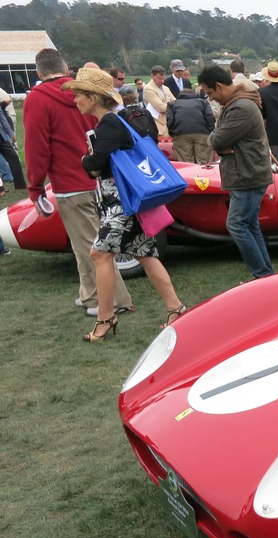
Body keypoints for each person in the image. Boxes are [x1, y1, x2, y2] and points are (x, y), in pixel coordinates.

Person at [62, 67, 185, 342]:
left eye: (79, 95)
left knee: (99, 253)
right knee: (144, 252)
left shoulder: (108, 125)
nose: (75, 100)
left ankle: (106, 317)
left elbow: (93, 167)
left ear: (93, 98)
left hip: (121, 204)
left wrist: (85, 160)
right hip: (126, 201)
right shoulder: (115, 122)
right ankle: (176, 309)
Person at [23, 48, 134, 316]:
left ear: (39, 72)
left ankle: (115, 301)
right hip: (100, 175)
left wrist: (35, 187)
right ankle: (90, 295)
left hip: (70, 182)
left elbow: (37, 147)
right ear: (65, 68)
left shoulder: (38, 99)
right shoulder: (84, 92)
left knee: (90, 246)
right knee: (83, 242)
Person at [197, 65, 274, 280]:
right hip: (248, 172)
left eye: (211, 93)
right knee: (249, 224)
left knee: (237, 224)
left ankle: (262, 275)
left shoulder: (240, 107)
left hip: (247, 175)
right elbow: (219, 138)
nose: (211, 98)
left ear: (219, 86)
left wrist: (216, 140)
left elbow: (216, 139)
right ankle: (265, 275)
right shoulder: (240, 103)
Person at [167, 87, 215, 163]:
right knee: (204, 162)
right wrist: (211, 131)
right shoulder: (203, 102)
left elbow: (170, 121)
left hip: (181, 134)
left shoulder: (172, 104)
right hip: (202, 133)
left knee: (186, 163)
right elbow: (209, 117)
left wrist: (173, 133)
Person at [143, 65, 175, 136]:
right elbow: (161, 108)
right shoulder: (148, 89)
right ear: (152, 76)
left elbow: (176, 103)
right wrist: (171, 105)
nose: (162, 81)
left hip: (169, 124)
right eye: (159, 78)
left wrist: (170, 105)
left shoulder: (166, 88)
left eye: (163, 78)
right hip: (158, 126)